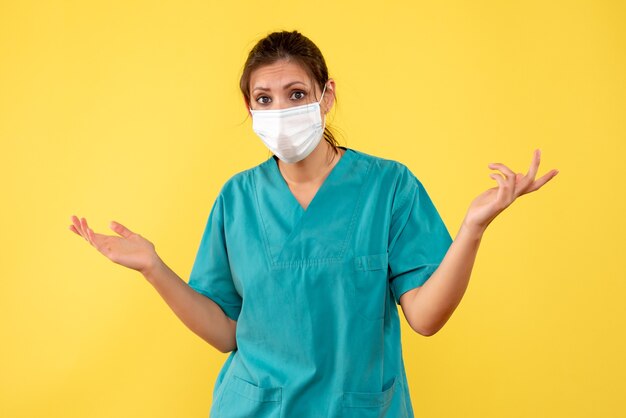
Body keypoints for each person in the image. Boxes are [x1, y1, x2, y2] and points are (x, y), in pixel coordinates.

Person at [69, 30, 558, 417]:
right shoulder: (237, 198)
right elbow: (225, 333)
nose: (279, 110)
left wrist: (473, 227)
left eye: (295, 93)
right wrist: (154, 267)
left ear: (326, 97)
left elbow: (426, 319)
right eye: (264, 99)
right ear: (249, 108)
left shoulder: (387, 187)